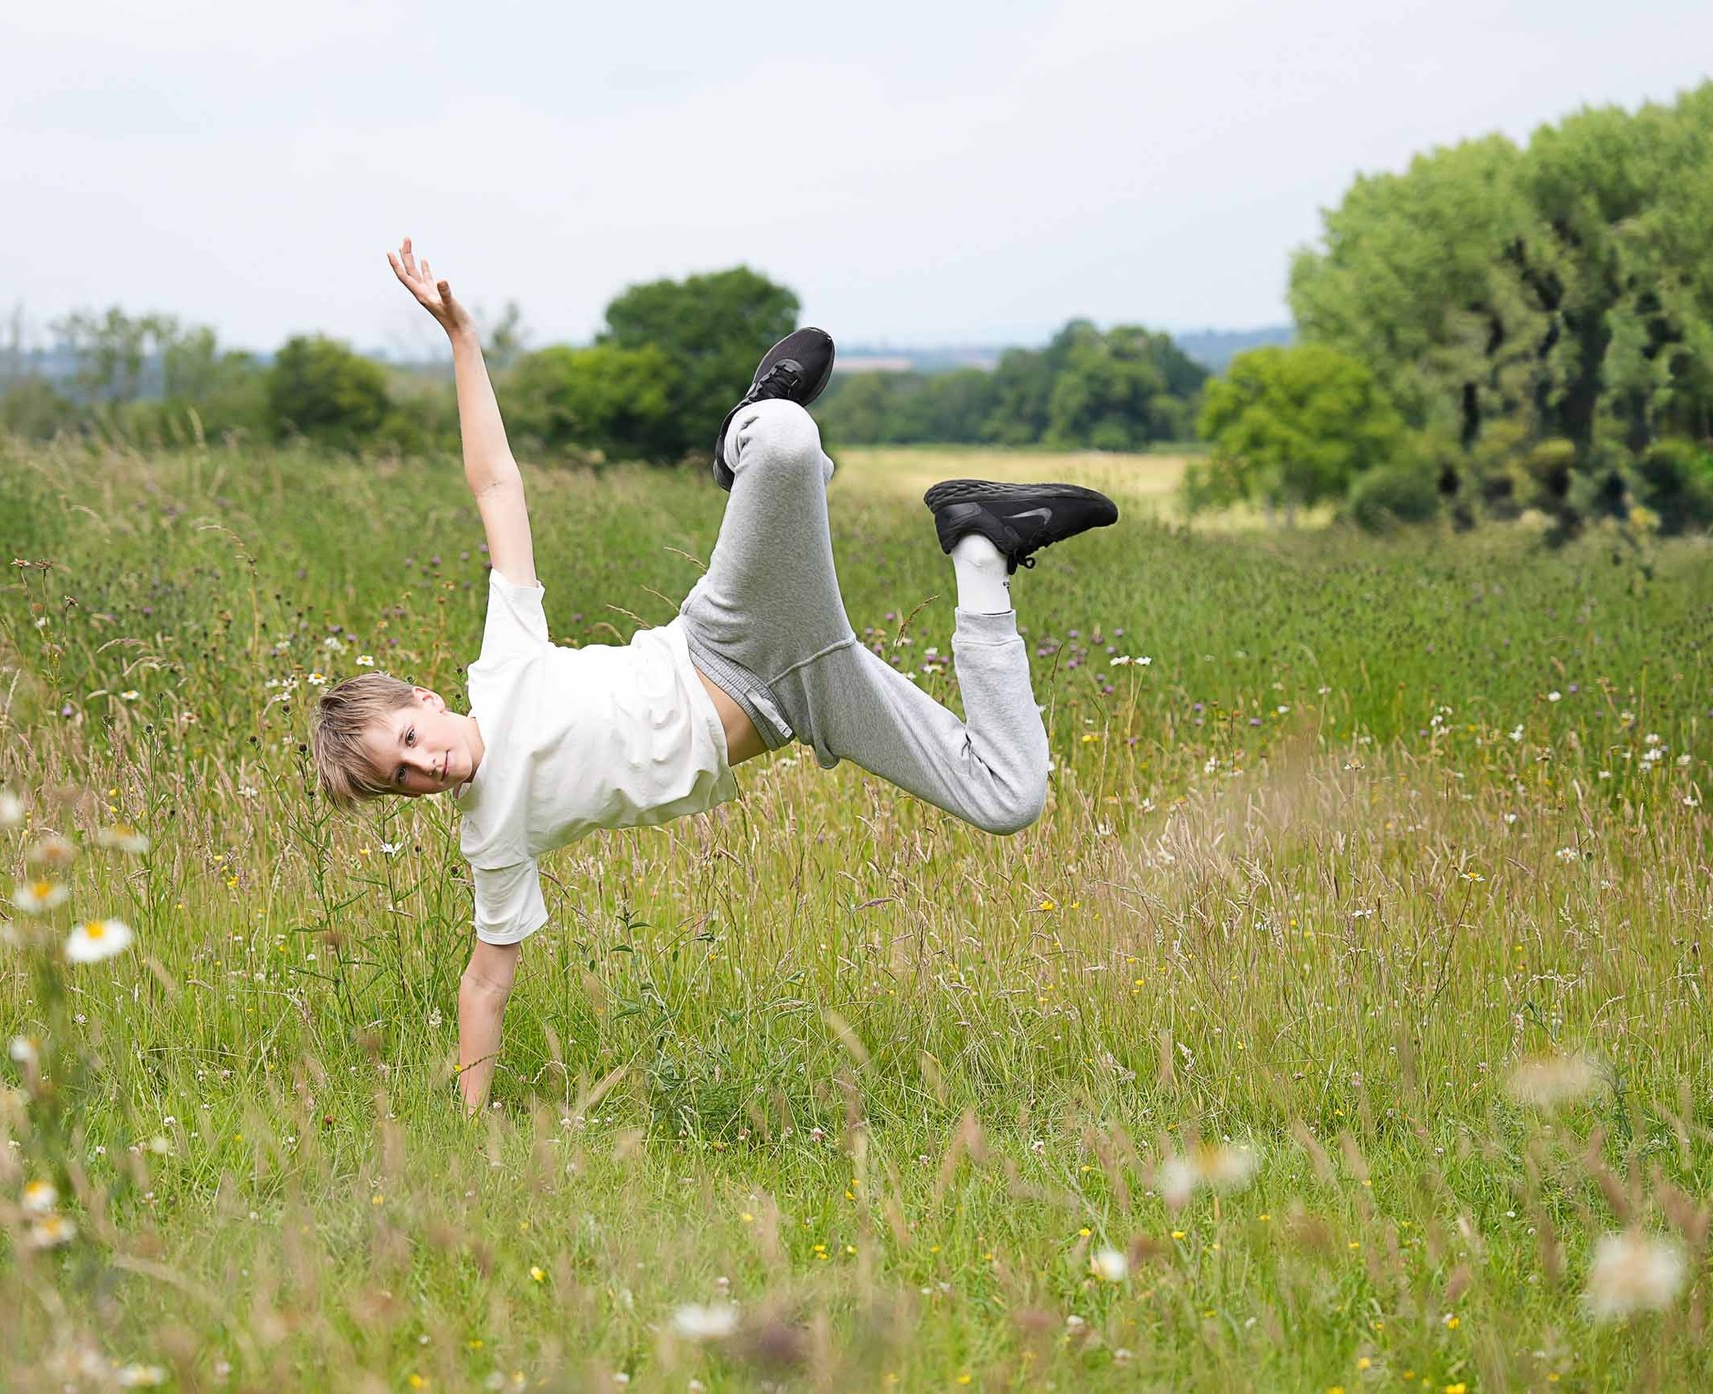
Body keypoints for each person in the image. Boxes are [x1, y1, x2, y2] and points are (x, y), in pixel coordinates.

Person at [311, 238, 1118, 1111]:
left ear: (424, 699)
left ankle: (743, 431)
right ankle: (981, 543)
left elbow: (496, 487)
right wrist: (469, 1128)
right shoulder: (492, 837)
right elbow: (484, 982)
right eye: (402, 778)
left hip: (727, 639)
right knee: (1009, 798)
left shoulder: (503, 667)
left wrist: (463, 339)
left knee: (787, 437)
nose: (424, 766)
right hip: (804, 705)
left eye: (409, 738)